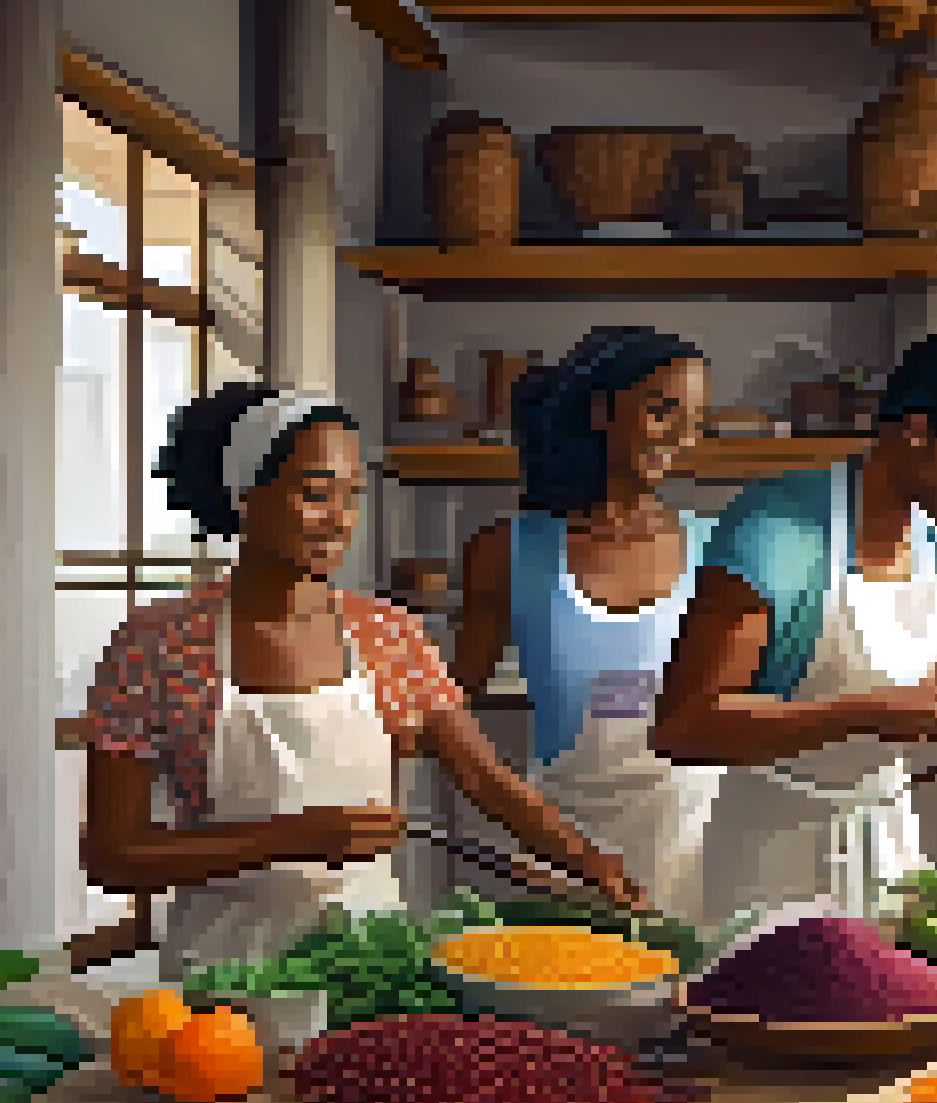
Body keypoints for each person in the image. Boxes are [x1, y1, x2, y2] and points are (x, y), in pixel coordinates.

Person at [80, 383, 642, 981]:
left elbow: (486, 780)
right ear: (243, 493)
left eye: (352, 497)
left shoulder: (389, 636)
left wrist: (587, 861)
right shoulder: (155, 645)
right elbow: (114, 857)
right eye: (316, 494)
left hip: (374, 962)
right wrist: (295, 836)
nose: (340, 521)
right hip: (222, 972)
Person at [653, 330, 937, 926]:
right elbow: (684, 727)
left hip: (889, 848)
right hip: (772, 856)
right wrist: (866, 711)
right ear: (915, 431)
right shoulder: (777, 532)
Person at [453, 326, 722, 926]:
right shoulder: (506, 553)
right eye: (662, 411)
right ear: (601, 411)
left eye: (696, 420)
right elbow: (451, 718)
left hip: (694, 848)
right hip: (562, 852)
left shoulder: (719, 549)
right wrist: (522, 828)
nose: (683, 436)